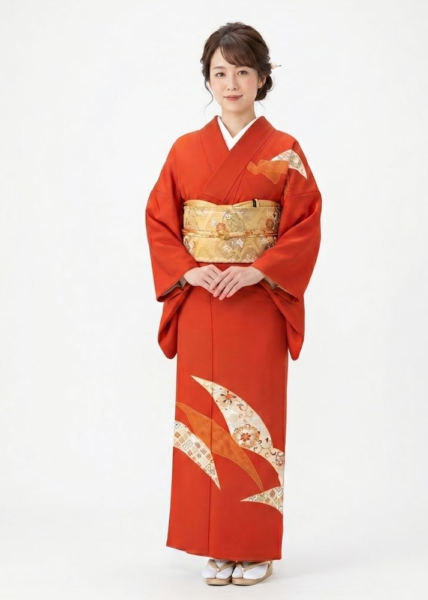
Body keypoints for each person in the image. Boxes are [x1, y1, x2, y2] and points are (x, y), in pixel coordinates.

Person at [145, 22, 322, 586]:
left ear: (262, 78)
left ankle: (253, 545)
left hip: (257, 302)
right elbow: (159, 219)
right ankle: (215, 545)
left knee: (253, 420)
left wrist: (258, 270)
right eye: (220, 72)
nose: (231, 83)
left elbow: (304, 224)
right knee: (203, 418)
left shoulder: (285, 151)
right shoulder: (184, 150)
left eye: (243, 71)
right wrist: (188, 268)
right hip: (201, 300)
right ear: (208, 79)